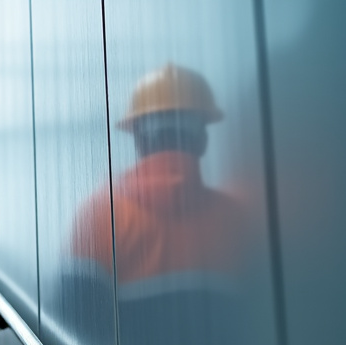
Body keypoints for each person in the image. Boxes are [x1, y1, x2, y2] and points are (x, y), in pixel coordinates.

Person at [71, 63, 243, 285]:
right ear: (202, 142)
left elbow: (77, 305)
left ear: (139, 142)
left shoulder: (97, 217)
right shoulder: (236, 221)